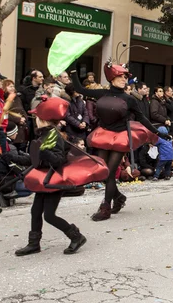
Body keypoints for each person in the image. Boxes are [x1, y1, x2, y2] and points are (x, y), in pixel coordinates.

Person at [71, 64, 168, 221]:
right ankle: (119, 197)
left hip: (120, 136)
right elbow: (80, 89)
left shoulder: (129, 99)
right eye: (121, 76)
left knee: (109, 173)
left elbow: (142, 117)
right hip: (103, 134)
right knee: (103, 173)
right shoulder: (102, 93)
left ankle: (105, 208)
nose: (124, 79)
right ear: (112, 78)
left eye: (126, 77)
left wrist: (157, 132)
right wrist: (74, 70)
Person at [14, 98, 93, 256]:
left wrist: (45, 152)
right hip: (43, 178)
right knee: (35, 211)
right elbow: (35, 160)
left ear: (44, 120)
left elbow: (58, 160)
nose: (35, 120)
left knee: (49, 215)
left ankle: (76, 236)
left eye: (37, 117)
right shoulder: (43, 135)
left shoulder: (54, 136)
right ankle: (34, 244)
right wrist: (12, 156)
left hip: (54, 180)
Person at [1, 80, 28, 151]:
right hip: (11, 130)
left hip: (22, 130)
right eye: (10, 86)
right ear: (5, 87)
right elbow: (4, 114)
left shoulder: (17, 98)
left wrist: (25, 118)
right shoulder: (2, 99)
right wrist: (18, 120)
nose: (13, 88)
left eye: (13, 86)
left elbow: (22, 110)